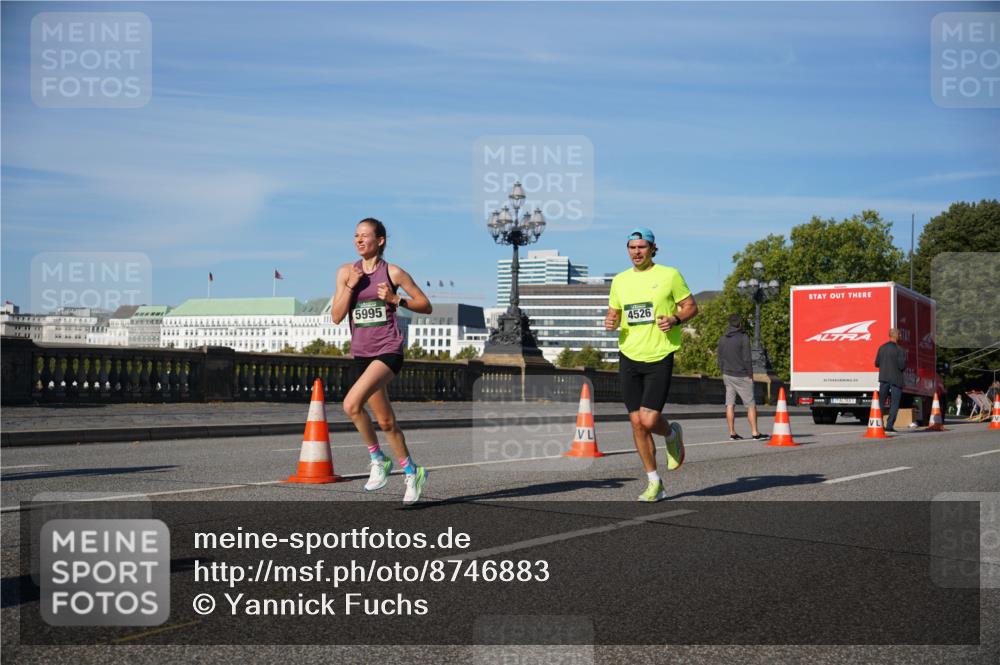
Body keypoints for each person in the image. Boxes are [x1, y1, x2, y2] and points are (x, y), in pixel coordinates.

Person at [331, 218, 432, 504]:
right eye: (355, 236)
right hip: (362, 354)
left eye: (365, 236)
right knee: (386, 422)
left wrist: (395, 299)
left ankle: (378, 459)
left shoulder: (394, 272)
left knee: (351, 404)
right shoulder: (345, 272)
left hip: (388, 350)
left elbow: (425, 305)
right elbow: (336, 316)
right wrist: (351, 287)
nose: (359, 240)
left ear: (381, 240)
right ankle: (413, 472)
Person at [605, 227, 698, 502]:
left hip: (660, 354)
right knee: (636, 423)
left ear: (653, 249)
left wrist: (676, 319)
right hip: (629, 354)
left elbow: (691, 306)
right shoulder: (620, 281)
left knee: (649, 419)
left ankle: (671, 433)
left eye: (642, 247)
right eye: (632, 247)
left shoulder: (669, 275)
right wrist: (610, 322)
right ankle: (654, 482)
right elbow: (614, 313)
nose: (637, 252)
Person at [717, 314, 765, 440]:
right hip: (742, 375)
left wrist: (723, 370)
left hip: (727, 375)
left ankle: (732, 433)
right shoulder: (743, 338)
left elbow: (720, 358)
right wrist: (750, 374)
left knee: (730, 404)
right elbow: (747, 358)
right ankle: (755, 433)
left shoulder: (723, 338)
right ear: (740, 324)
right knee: (750, 405)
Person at [874, 328, 907, 432]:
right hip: (896, 379)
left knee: (881, 402)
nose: (901, 336)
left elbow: (876, 363)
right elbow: (902, 366)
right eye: (900, 335)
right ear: (896, 336)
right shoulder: (900, 350)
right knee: (894, 403)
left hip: (883, 378)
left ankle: (879, 423)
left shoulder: (882, 348)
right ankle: (889, 425)